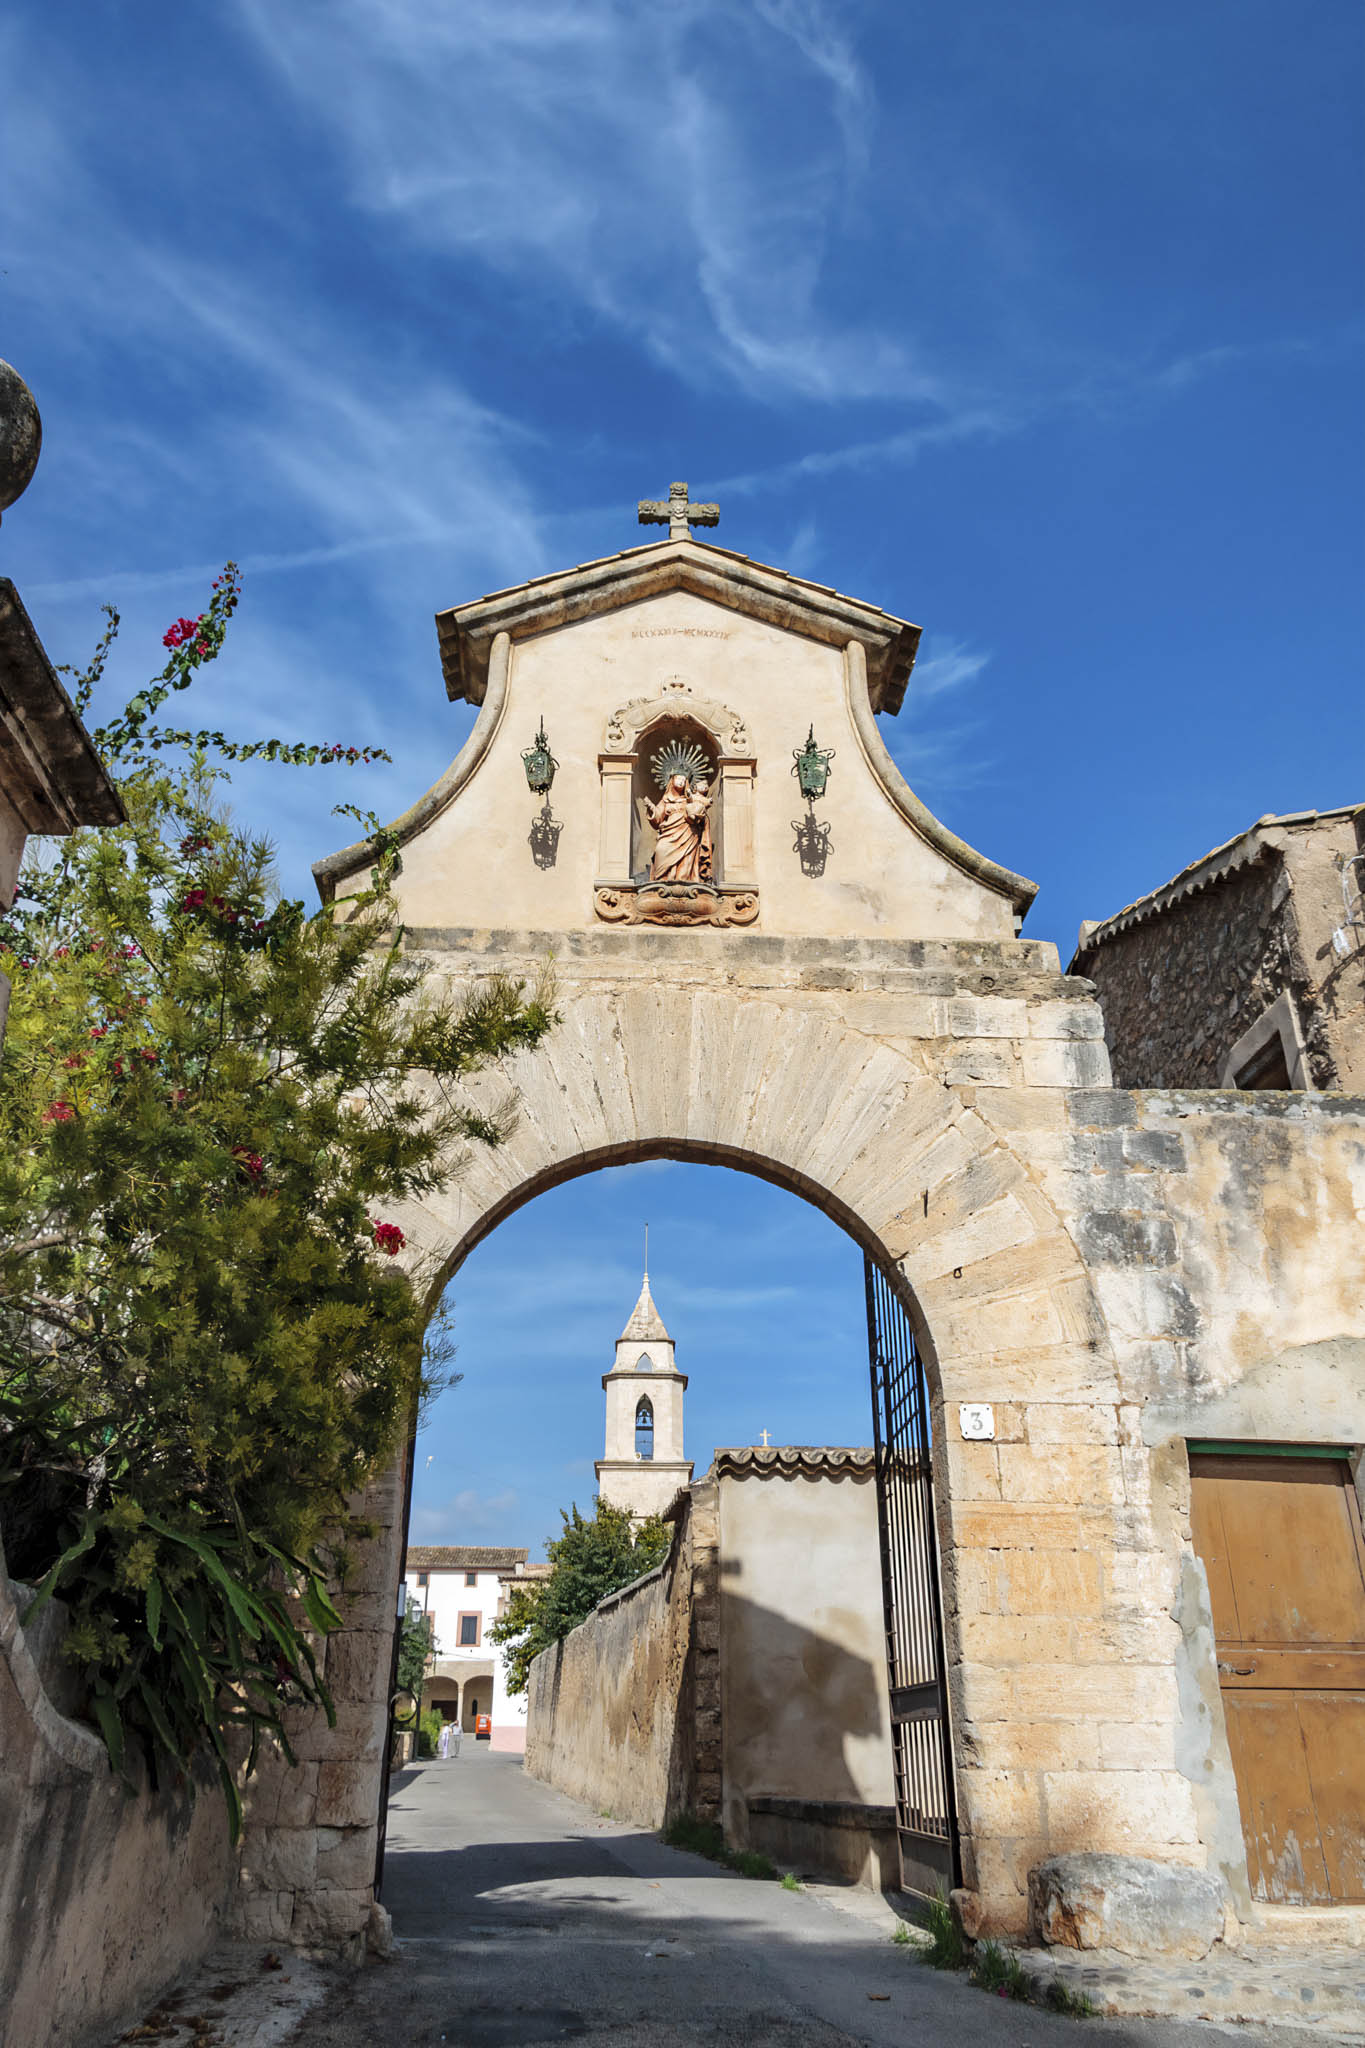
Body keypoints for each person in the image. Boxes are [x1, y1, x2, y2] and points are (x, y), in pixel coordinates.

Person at [646, 772, 714, 883]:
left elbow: (701, 812)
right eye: (678, 778)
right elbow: (658, 818)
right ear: (672, 781)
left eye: (683, 779)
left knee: (686, 861)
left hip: (688, 833)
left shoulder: (690, 798)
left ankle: (684, 880)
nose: (681, 781)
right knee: (660, 849)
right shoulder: (665, 800)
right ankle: (661, 880)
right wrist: (651, 809)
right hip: (668, 832)